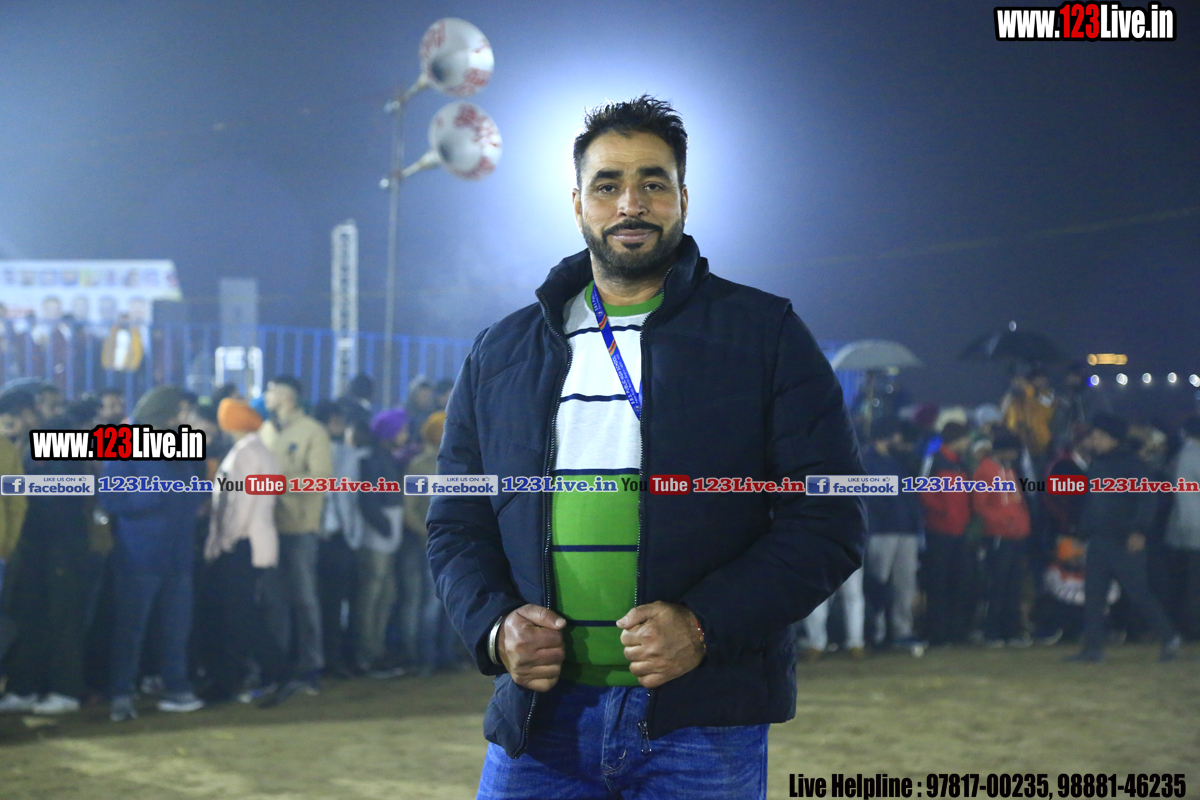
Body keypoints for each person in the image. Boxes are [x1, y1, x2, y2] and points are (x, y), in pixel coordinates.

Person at [427, 96, 864, 797]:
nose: (631, 203)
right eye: (607, 185)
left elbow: (830, 518)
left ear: (684, 198)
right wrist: (495, 626)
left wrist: (704, 624)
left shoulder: (765, 335)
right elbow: (456, 521)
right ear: (578, 204)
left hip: (702, 723)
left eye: (653, 183)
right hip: (539, 724)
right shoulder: (499, 354)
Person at [99, 387, 208, 720]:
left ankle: (176, 687)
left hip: (179, 552)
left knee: (178, 627)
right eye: (181, 411)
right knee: (131, 628)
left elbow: (195, 486)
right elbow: (110, 497)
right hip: (140, 554)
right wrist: (153, 496)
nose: (186, 418)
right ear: (164, 412)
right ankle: (121, 693)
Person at [1066, 414, 1181, 663]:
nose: (1094, 441)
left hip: (1124, 540)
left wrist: (1139, 531)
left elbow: (1147, 500)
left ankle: (1169, 636)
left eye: (1098, 436)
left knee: (1138, 593)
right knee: (1093, 596)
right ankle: (1093, 649)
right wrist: (1082, 534)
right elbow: (1090, 503)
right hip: (1099, 540)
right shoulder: (1097, 464)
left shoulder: (1133, 465)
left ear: (1113, 438)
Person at [203, 398, 295, 706]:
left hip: (242, 544)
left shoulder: (243, 454)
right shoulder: (261, 451)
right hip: (256, 544)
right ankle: (263, 674)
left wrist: (225, 540)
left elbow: (238, 504)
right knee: (242, 615)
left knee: (238, 617)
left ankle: (264, 674)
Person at [0, 413, 92, 715]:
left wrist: (14, 484)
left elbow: (71, 487)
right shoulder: (23, 446)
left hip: (62, 545)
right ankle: (24, 688)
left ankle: (66, 690)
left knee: (63, 618)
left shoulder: (63, 441)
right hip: (33, 547)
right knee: (29, 616)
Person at [259, 375, 333, 693]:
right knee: (273, 601)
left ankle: (310, 668)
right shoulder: (264, 430)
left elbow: (321, 479)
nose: (266, 396)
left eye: (270, 390)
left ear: (287, 396)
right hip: (267, 529)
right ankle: (279, 668)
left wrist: (278, 483)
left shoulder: (313, 431)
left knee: (304, 600)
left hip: (300, 528)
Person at [401, 411, 459, 674]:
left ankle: (439, 658)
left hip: (444, 544)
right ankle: (431, 658)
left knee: (441, 603)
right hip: (436, 545)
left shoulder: (448, 464)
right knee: (435, 604)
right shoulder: (426, 465)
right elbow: (409, 510)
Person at [860, 420, 923, 650]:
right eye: (895, 435)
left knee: (904, 584)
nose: (899, 439)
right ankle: (875, 633)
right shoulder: (866, 460)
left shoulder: (898, 460)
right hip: (881, 531)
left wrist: (915, 523)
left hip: (905, 531)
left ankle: (901, 631)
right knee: (878, 585)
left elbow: (909, 494)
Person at [354, 412, 405, 675]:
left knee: (385, 596)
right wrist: (386, 527)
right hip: (377, 538)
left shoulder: (386, 457)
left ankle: (376, 650)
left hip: (386, 535)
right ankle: (366, 655)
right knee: (371, 598)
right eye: (401, 430)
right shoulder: (375, 459)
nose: (405, 434)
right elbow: (368, 500)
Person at [972, 430, 1032, 646]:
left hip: (1015, 535)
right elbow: (980, 505)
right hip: (998, 535)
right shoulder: (985, 471)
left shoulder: (1008, 470)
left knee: (1013, 585)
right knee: (998, 584)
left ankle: (1011, 631)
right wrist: (1003, 522)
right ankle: (993, 632)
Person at [918, 422, 974, 646]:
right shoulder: (935, 460)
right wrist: (944, 511)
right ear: (957, 439)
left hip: (958, 531)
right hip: (939, 531)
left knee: (958, 583)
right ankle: (937, 634)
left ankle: (954, 632)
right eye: (966, 438)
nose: (968, 443)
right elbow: (922, 489)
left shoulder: (960, 463)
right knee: (938, 584)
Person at [314, 399, 357, 678]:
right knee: (325, 603)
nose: (341, 427)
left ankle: (331, 658)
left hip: (335, 537)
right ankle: (326, 659)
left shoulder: (345, 453)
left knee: (331, 603)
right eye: (336, 422)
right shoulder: (334, 454)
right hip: (322, 537)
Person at [1164, 415, 1200, 639]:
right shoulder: (1195, 455)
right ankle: (1193, 627)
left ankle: (1184, 625)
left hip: (1180, 528)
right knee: (1194, 583)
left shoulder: (1180, 456)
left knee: (1184, 582)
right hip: (1195, 529)